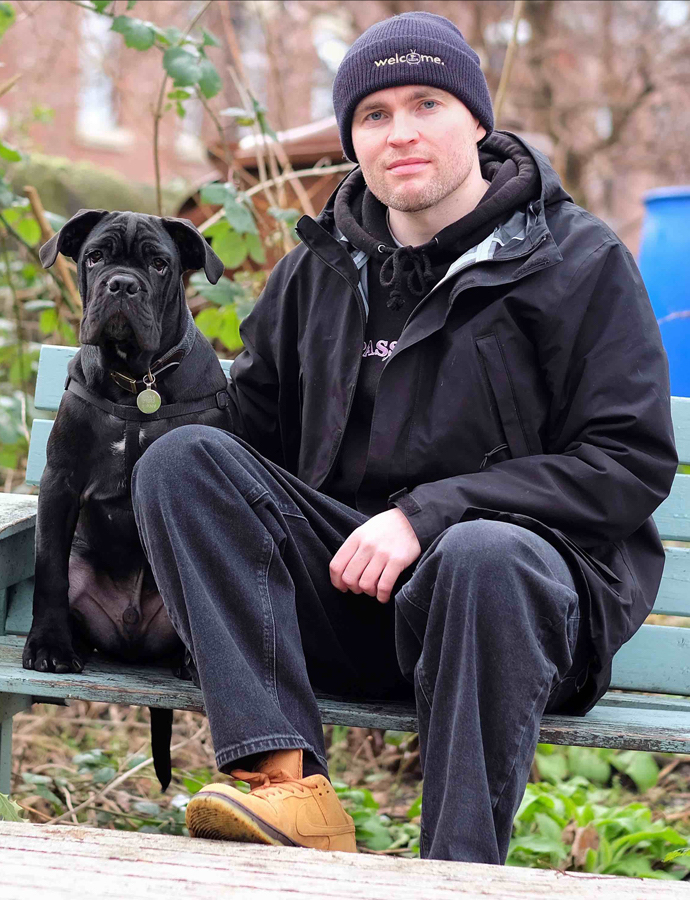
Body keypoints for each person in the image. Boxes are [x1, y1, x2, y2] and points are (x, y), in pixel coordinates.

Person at [130, 11, 677, 864]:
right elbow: (248, 442)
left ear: (478, 121)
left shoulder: (574, 260)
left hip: (517, 609)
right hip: (351, 601)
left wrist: (430, 514)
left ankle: (457, 876)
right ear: (353, 138)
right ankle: (286, 787)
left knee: (481, 554)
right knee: (183, 459)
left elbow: (627, 463)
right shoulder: (319, 265)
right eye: (375, 114)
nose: (402, 132)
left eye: (428, 103)